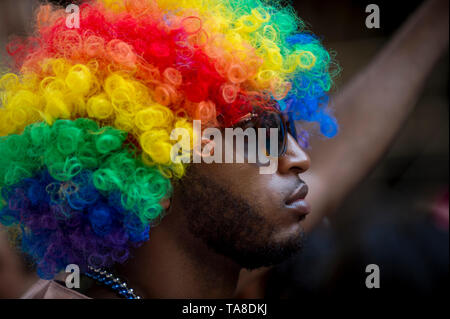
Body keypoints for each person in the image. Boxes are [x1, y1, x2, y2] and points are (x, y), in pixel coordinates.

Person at [0, 0, 447, 299]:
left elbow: (331, 164)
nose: (299, 157)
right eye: (259, 132)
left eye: (288, 126)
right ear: (150, 170)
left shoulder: (194, 270)